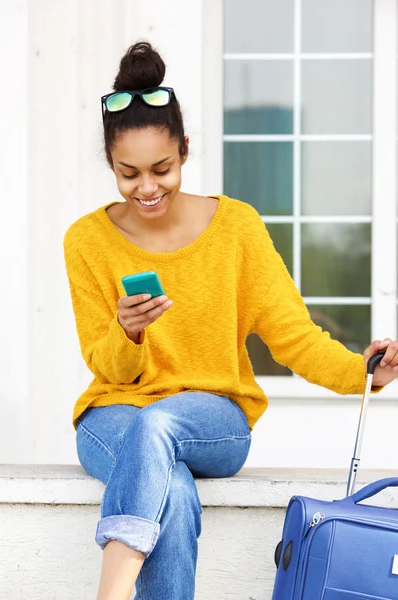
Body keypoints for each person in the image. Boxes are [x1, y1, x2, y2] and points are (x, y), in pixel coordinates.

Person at [63, 41, 398, 600]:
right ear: (111, 166)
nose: (146, 188)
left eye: (161, 169)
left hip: (212, 417)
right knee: (169, 484)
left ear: (185, 151)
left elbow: (291, 334)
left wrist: (360, 371)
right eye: (129, 174)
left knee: (159, 426)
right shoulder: (86, 240)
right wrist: (128, 332)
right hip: (113, 415)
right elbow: (105, 364)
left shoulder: (236, 227)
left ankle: (109, 594)